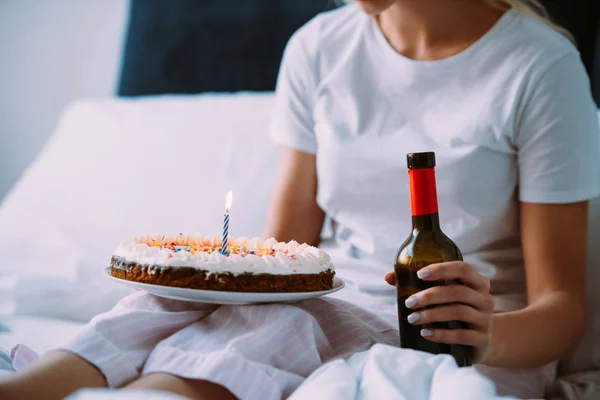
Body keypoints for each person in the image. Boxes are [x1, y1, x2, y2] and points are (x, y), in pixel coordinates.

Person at [1, 0, 598, 399]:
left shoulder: (538, 68)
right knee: (169, 302)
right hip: (332, 298)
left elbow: (564, 306)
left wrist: (487, 334)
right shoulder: (319, 48)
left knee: (278, 322)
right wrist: (213, 280)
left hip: (457, 335)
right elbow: (286, 252)